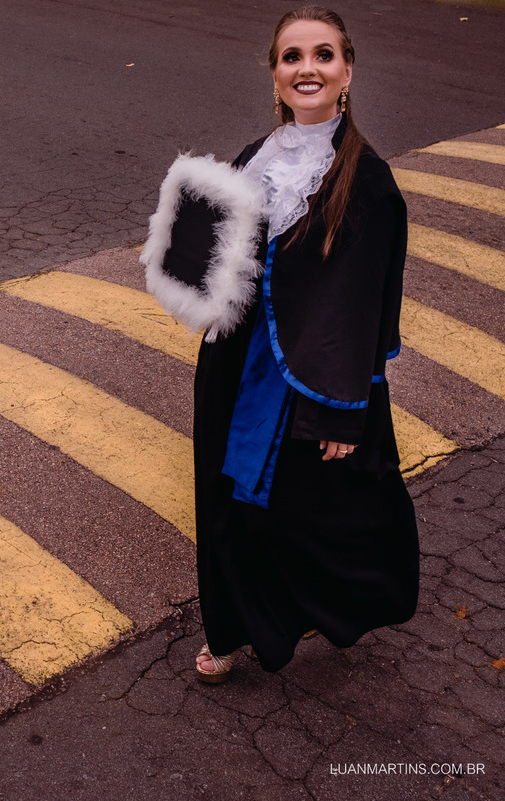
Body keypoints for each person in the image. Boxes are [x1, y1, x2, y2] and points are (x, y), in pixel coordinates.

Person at [193, 6, 420, 682]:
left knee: (311, 514)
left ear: (347, 71)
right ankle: (230, 626)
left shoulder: (368, 183)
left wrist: (341, 411)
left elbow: (365, 305)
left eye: (323, 55)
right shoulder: (254, 157)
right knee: (224, 500)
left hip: (311, 377)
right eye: (292, 57)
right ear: (275, 74)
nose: (307, 69)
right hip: (233, 362)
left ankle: (302, 611)